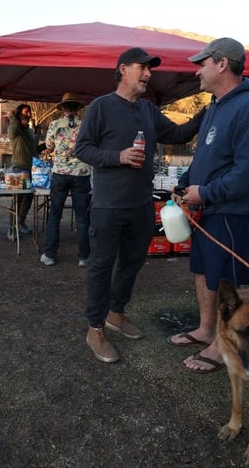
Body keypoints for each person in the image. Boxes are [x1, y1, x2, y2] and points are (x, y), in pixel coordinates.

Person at [74, 47, 206, 363]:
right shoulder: (100, 107)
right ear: (123, 70)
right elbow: (82, 149)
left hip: (141, 204)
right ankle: (95, 328)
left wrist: (209, 111)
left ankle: (116, 313)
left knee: (133, 263)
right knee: (101, 267)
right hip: (108, 205)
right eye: (142, 68)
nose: (148, 74)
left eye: (150, 70)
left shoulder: (147, 110)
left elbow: (177, 133)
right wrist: (116, 157)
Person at [165, 38, 249, 373]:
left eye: (203, 63)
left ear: (223, 64)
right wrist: (185, 183)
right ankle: (206, 329)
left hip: (231, 214)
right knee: (202, 272)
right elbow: (207, 158)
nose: (198, 70)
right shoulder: (216, 106)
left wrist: (207, 193)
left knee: (227, 284)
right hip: (207, 209)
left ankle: (221, 348)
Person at [40, 92, 92, 267]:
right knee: (82, 217)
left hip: (60, 174)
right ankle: (84, 257)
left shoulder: (55, 125)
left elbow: (49, 146)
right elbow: (91, 145)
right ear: (78, 108)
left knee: (55, 215)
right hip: (81, 173)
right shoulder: (85, 125)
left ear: (62, 108)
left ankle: (49, 255)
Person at [6, 103, 39, 241]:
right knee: (17, 199)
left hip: (31, 169)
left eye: (30, 112)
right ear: (20, 114)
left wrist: (46, 146)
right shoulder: (15, 128)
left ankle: (21, 223)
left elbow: (34, 149)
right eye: (26, 112)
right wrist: (13, 116)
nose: (29, 115)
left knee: (28, 198)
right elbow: (13, 127)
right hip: (18, 169)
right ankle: (11, 227)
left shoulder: (29, 131)